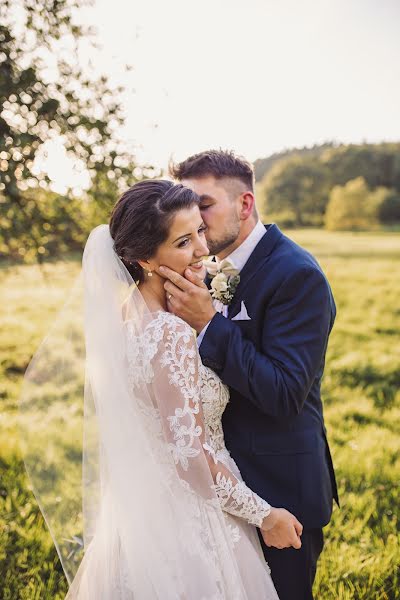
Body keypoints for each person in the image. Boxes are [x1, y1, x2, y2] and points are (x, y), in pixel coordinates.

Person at [21, 179, 302, 599]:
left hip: (140, 516)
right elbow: (189, 457)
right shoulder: (169, 332)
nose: (203, 250)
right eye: (184, 241)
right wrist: (265, 516)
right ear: (144, 259)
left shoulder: (122, 316)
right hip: (192, 520)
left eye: (200, 232)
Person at [158, 150, 339, 600]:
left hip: (278, 490)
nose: (192, 219)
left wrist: (209, 324)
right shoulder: (202, 266)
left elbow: (284, 393)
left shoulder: (297, 276)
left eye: (203, 205)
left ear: (245, 204)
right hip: (215, 489)